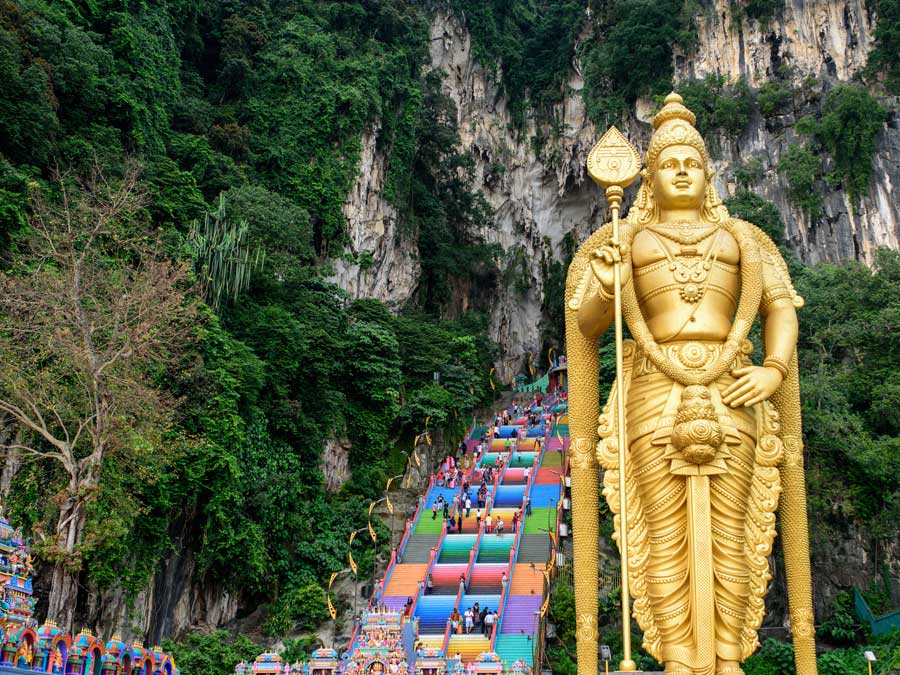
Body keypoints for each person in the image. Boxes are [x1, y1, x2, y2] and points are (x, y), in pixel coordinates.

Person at [567, 92, 816, 675]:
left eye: (691, 163)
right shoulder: (626, 239)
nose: (681, 172)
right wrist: (606, 283)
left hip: (734, 387)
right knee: (661, 533)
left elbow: (780, 309)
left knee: (732, 533)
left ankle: (728, 657)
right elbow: (586, 324)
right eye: (668, 164)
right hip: (653, 388)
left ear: (709, 174)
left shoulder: (744, 241)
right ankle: (679, 659)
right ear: (647, 178)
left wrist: (772, 369)